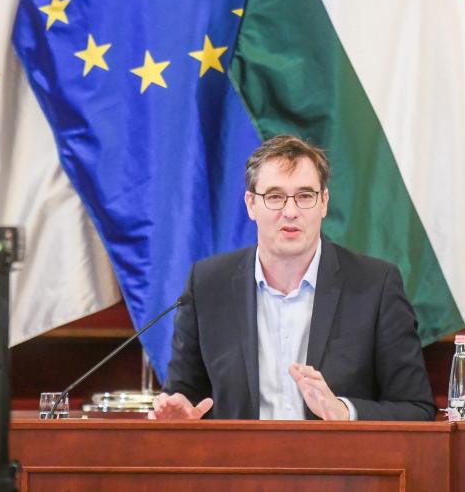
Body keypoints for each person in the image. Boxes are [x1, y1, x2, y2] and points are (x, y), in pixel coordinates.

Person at [153, 135, 436, 421]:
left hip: (337, 452)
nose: (290, 212)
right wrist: (179, 419)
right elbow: (184, 398)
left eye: (305, 196)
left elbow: (416, 409)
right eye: (275, 197)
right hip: (242, 452)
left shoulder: (375, 286)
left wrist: (343, 412)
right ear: (251, 204)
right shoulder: (208, 285)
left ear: (324, 202)